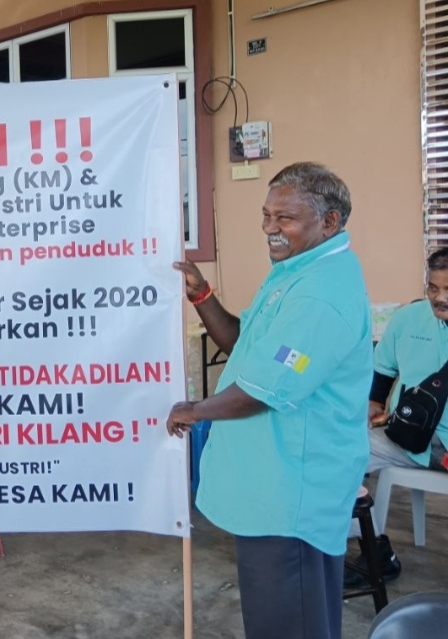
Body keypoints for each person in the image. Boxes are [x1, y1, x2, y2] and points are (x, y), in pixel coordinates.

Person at [167, 162, 372, 639]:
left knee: (287, 624)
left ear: (329, 222)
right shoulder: (297, 271)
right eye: (266, 215)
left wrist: (193, 411)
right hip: (269, 488)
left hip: (290, 495)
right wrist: (202, 295)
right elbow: (247, 347)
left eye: (285, 218)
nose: (269, 228)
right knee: (294, 619)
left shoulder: (321, 294)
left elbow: (264, 390)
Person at [341, 247, 448, 586]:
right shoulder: (409, 319)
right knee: (339, 454)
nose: (440, 298)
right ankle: (376, 551)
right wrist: (373, 403)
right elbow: (383, 367)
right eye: (433, 288)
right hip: (407, 440)